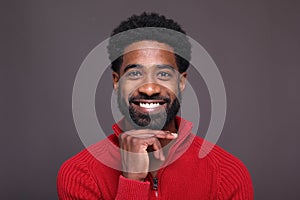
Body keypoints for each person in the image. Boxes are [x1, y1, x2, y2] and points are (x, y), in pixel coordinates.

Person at [57, 12, 253, 199]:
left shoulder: (227, 175)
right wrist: (132, 181)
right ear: (117, 82)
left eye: (164, 74)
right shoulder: (79, 174)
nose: (149, 89)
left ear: (181, 82)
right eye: (135, 74)